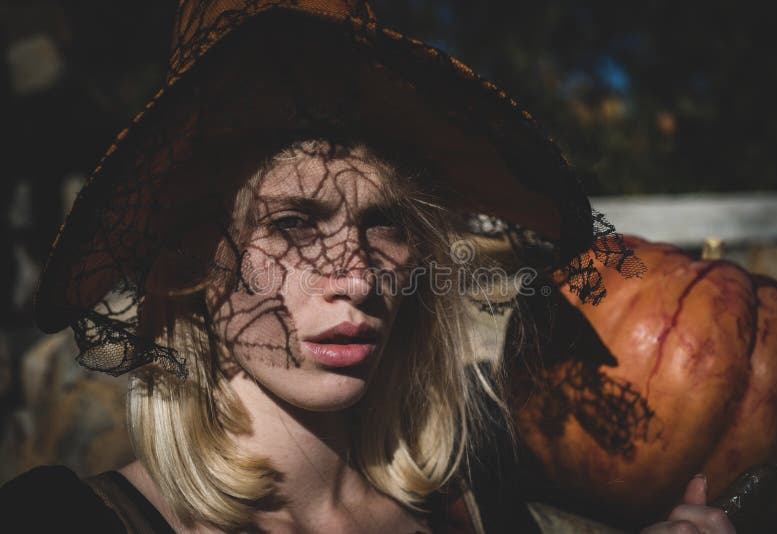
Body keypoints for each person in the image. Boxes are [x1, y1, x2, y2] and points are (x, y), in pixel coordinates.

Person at [0, 1, 737, 532]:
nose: (355, 278)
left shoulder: (479, 508)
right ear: (185, 260)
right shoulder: (62, 521)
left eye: (383, 224)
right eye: (292, 224)